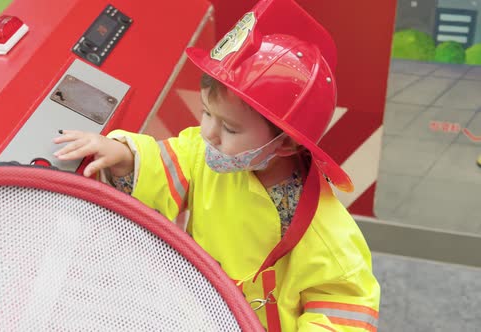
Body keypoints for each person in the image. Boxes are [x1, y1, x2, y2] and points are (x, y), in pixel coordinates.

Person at [54, 0, 380, 330]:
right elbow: (172, 162)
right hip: (200, 312)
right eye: (207, 113)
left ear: (285, 142)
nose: (209, 133)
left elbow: (346, 306)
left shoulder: (320, 228)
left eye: (230, 128)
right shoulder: (206, 153)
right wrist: (125, 157)